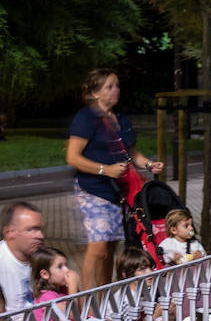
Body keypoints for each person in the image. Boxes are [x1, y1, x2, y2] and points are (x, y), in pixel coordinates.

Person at [66, 69, 163, 289]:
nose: (115, 90)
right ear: (94, 93)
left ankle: (104, 297)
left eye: (117, 85)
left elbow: (131, 152)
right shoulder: (86, 118)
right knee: (98, 248)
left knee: (110, 249)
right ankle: (85, 301)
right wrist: (105, 170)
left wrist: (149, 164)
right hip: (93, 189)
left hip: (119, 192)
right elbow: (72, 157)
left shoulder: (120, 118)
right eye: (109, 86)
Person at [111, 248, 169, 321]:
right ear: (126, 274)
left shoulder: (146, 291)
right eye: (142, 269)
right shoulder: (125, 300)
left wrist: (169, 313)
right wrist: (154, 316)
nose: (149, 272)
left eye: (150, 267)